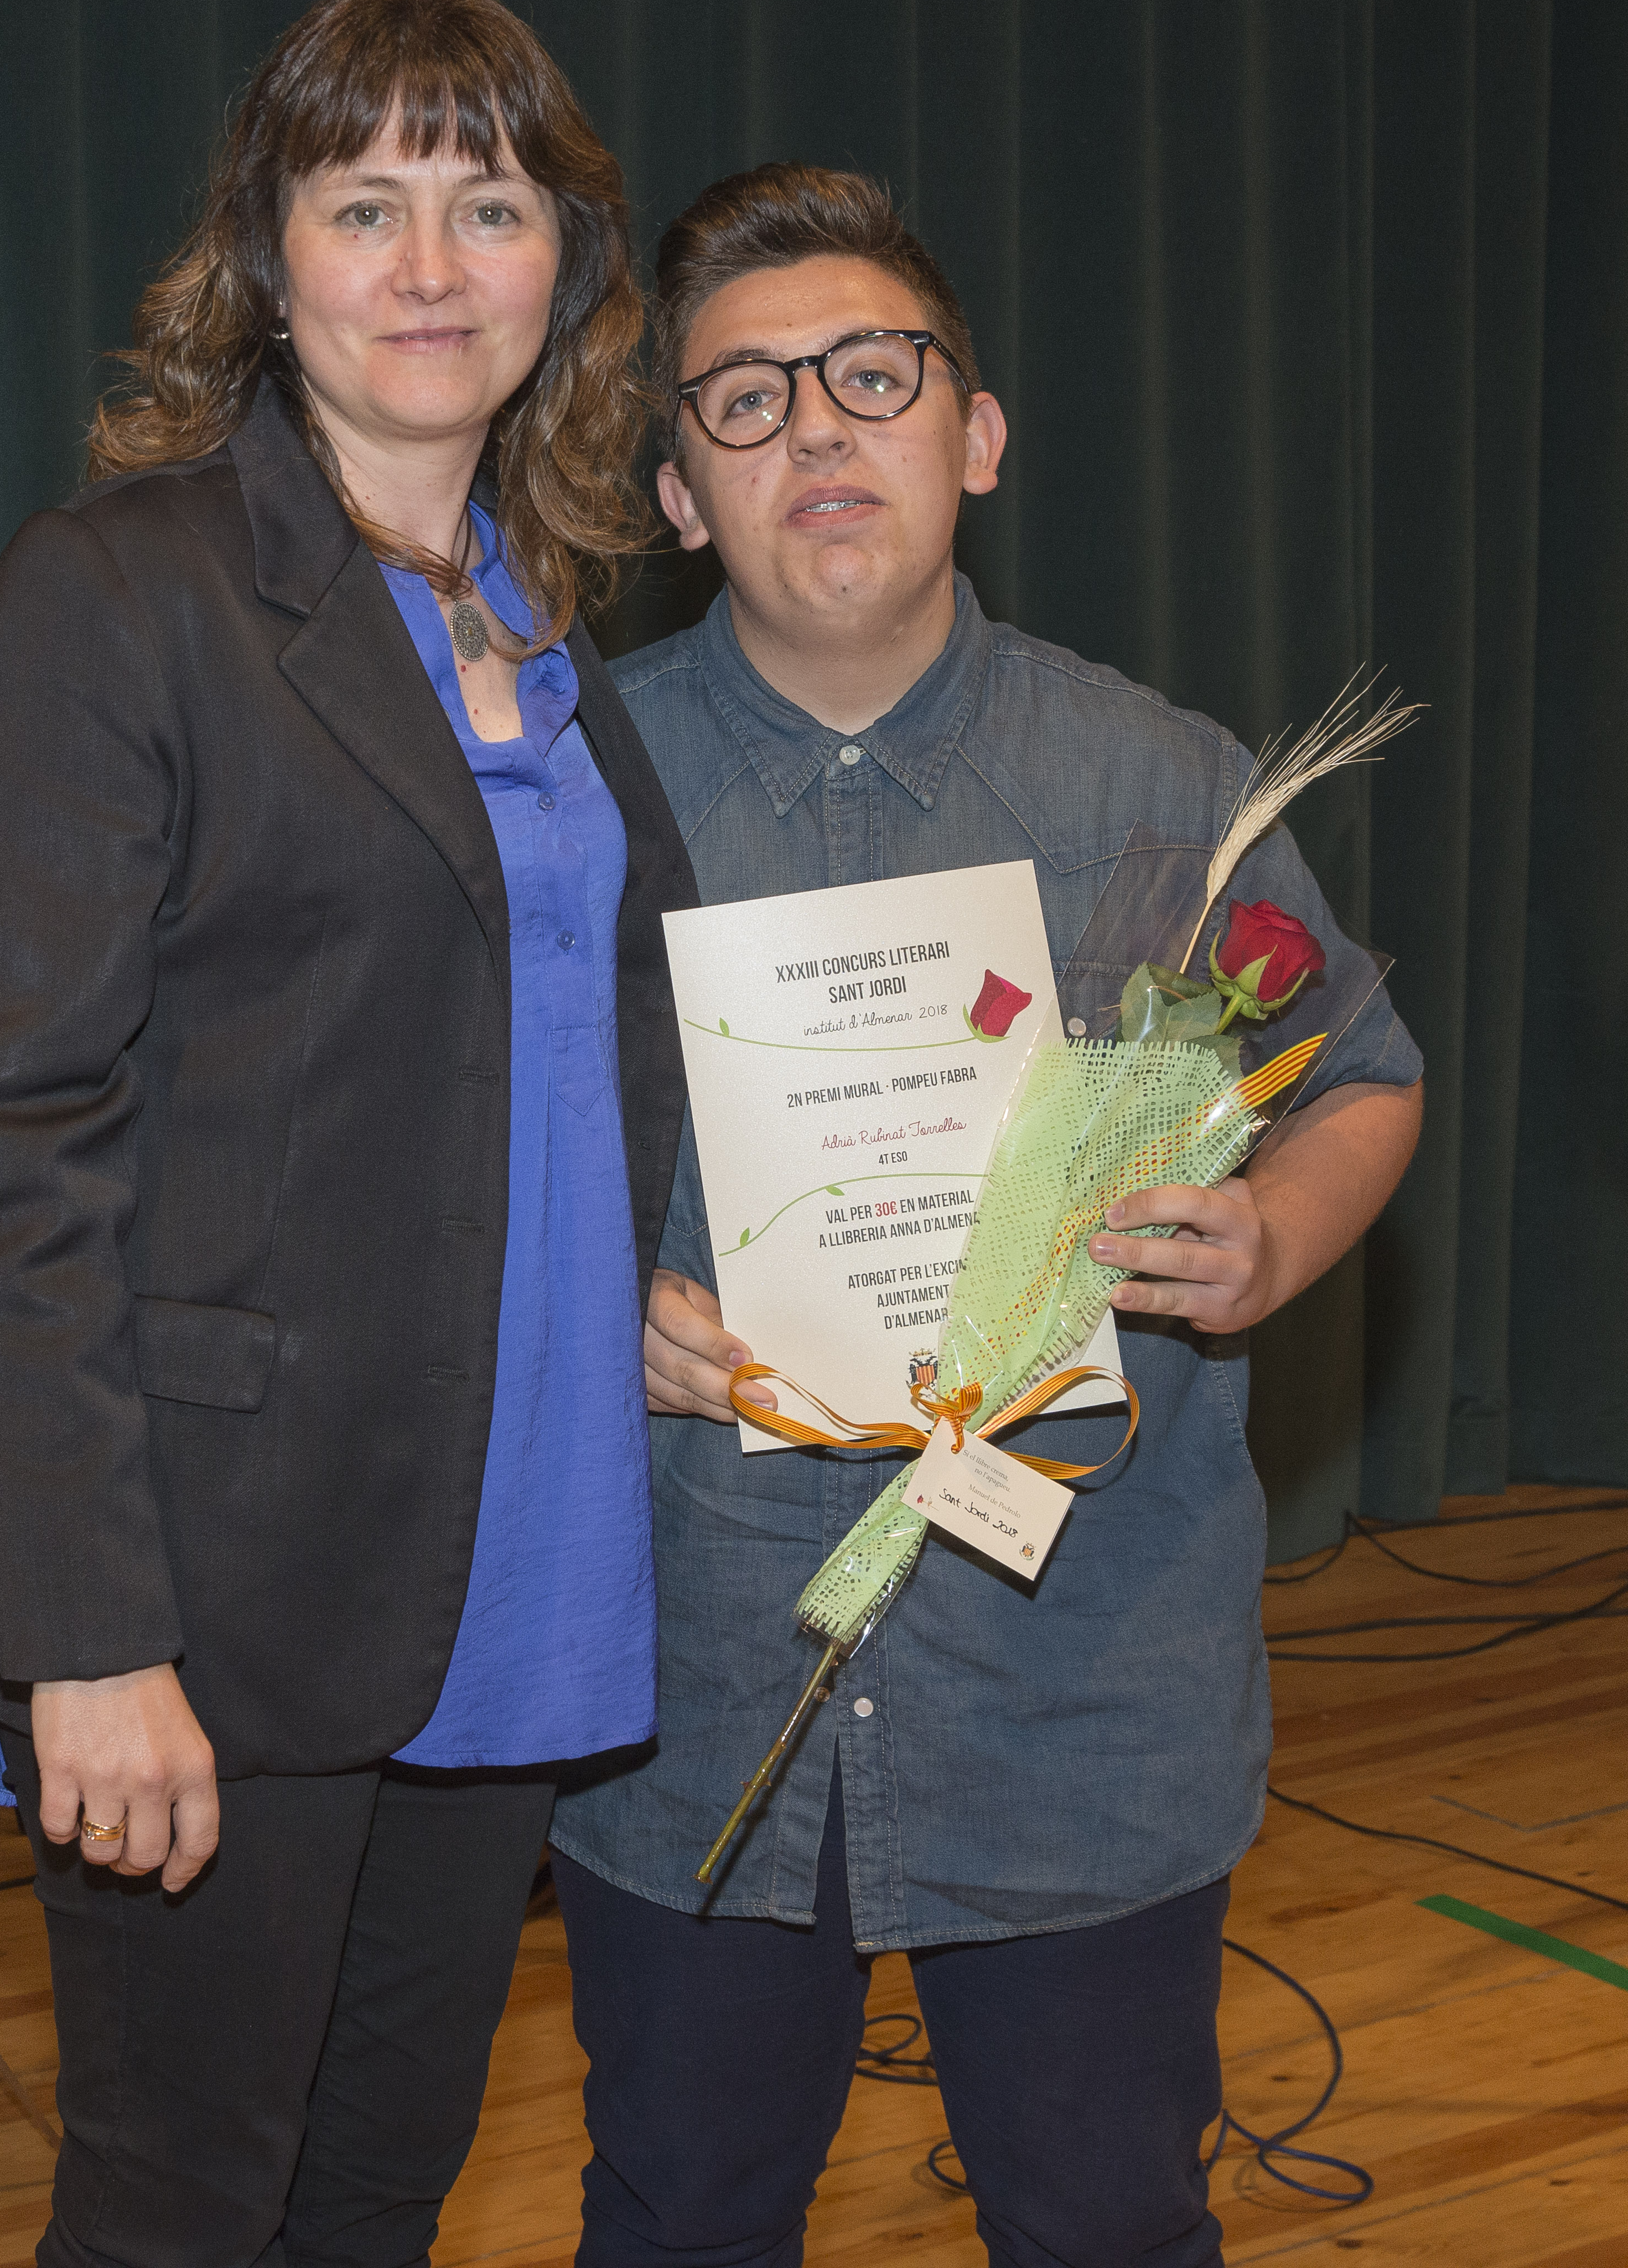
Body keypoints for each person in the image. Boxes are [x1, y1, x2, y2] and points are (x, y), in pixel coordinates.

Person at [547, 163, 1425, 2268]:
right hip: (697, 1683)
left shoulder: (1160, 783)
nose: (817, 431)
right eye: (745, 399)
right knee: (677, 2217)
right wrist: (590, 1301)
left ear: (981, 431)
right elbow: (436, 1166)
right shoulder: (573, 792)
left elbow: (1364, 1076)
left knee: (1107, 2220)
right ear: (678, 495)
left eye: (875, 373)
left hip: (1079, 1695)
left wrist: (1271, 1239)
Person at [0, 0, 693, 2268]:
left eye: (490, 206)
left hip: (509, 1561)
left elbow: (514, 1055)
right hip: (221, 1586)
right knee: (181, 2209)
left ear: (566, 263)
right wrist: (89, 1634)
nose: (432, 266)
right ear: (268, 260)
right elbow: (22, 1143)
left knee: (374, 2198)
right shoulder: (122, 594)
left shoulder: (541, 620)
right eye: (367, 206)